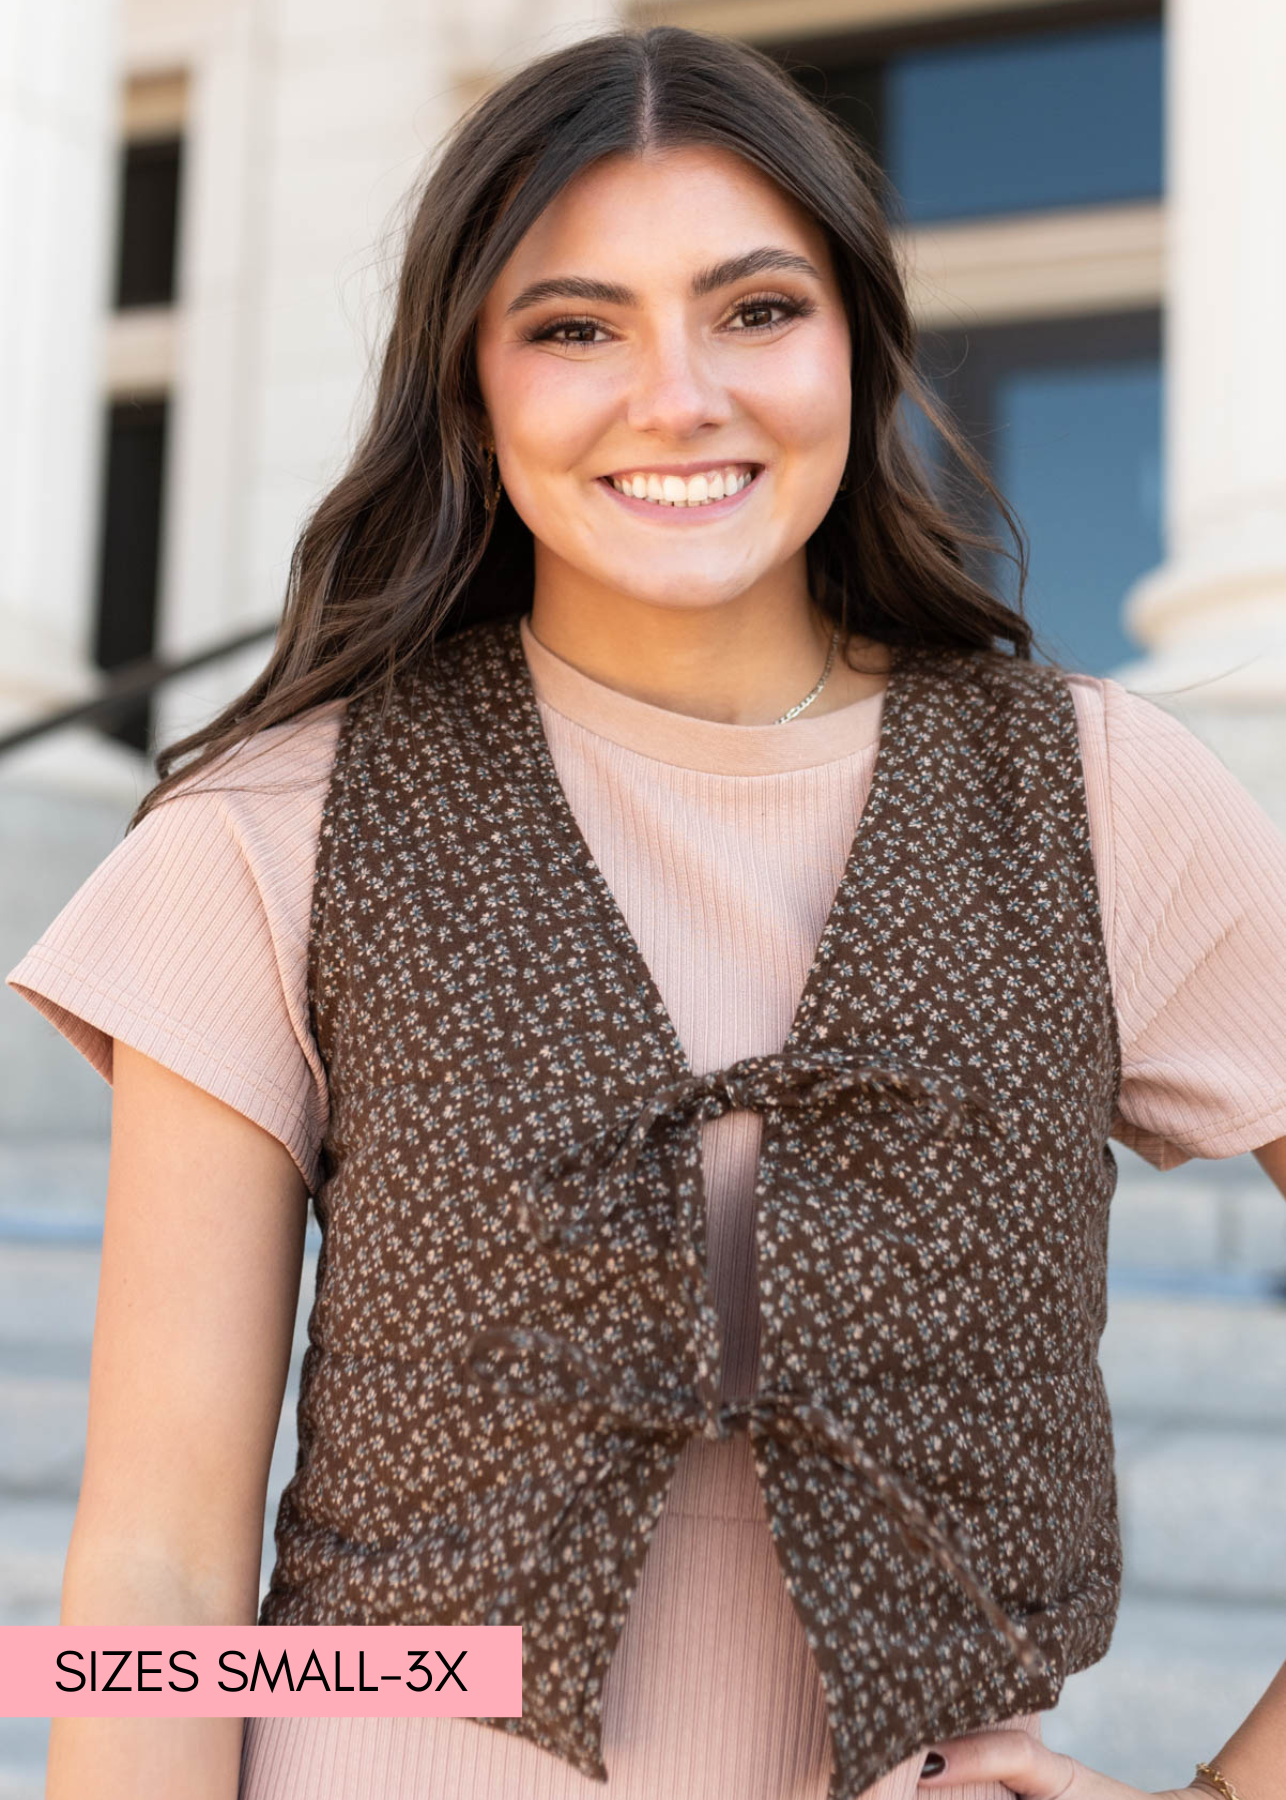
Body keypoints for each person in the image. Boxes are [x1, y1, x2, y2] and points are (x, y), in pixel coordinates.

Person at [8, 24, 1286, 1800]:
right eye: (572, 326)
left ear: (858, 346)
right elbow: (152, 1571)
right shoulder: (273, 833)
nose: (675, 394)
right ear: (470, 387)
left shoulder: (1096, 797)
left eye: (756, 309)